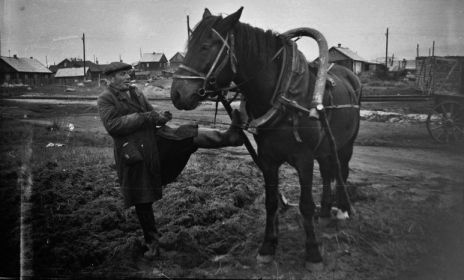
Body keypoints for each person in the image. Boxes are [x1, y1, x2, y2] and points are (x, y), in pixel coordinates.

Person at [97, 62, 243, 258]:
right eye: (122, 74)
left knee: (187, 134)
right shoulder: (106, 98)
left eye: (127, 73)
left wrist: (160, 117)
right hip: (133, 152)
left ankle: (229, 137)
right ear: (111, 78)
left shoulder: (136, 92)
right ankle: (152, 244)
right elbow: (113, 125)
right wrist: (143, 117)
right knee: (143, 198)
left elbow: (150, 113)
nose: (127, 77)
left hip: (155, 140)